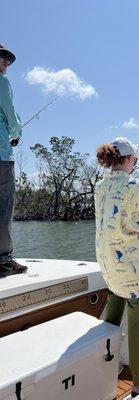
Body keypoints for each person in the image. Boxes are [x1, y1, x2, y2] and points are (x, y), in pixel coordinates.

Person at [95, 137, 139, 397]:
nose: (136, 163)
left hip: (110, 268)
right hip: (133, 272)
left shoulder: (100, 186)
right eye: (135, 159)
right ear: (128, 159)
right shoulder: (136, 186)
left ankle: (102, 367)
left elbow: (114, 222)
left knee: (110, 321)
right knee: (137, 327)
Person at [0, 43, 27, 276]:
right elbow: (11, 115)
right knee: (4, 208)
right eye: (2, 57)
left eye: (8, 58)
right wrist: (16, 133)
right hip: (1, 156)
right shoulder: (2, 81)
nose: (6, 62)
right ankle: (4, 261)